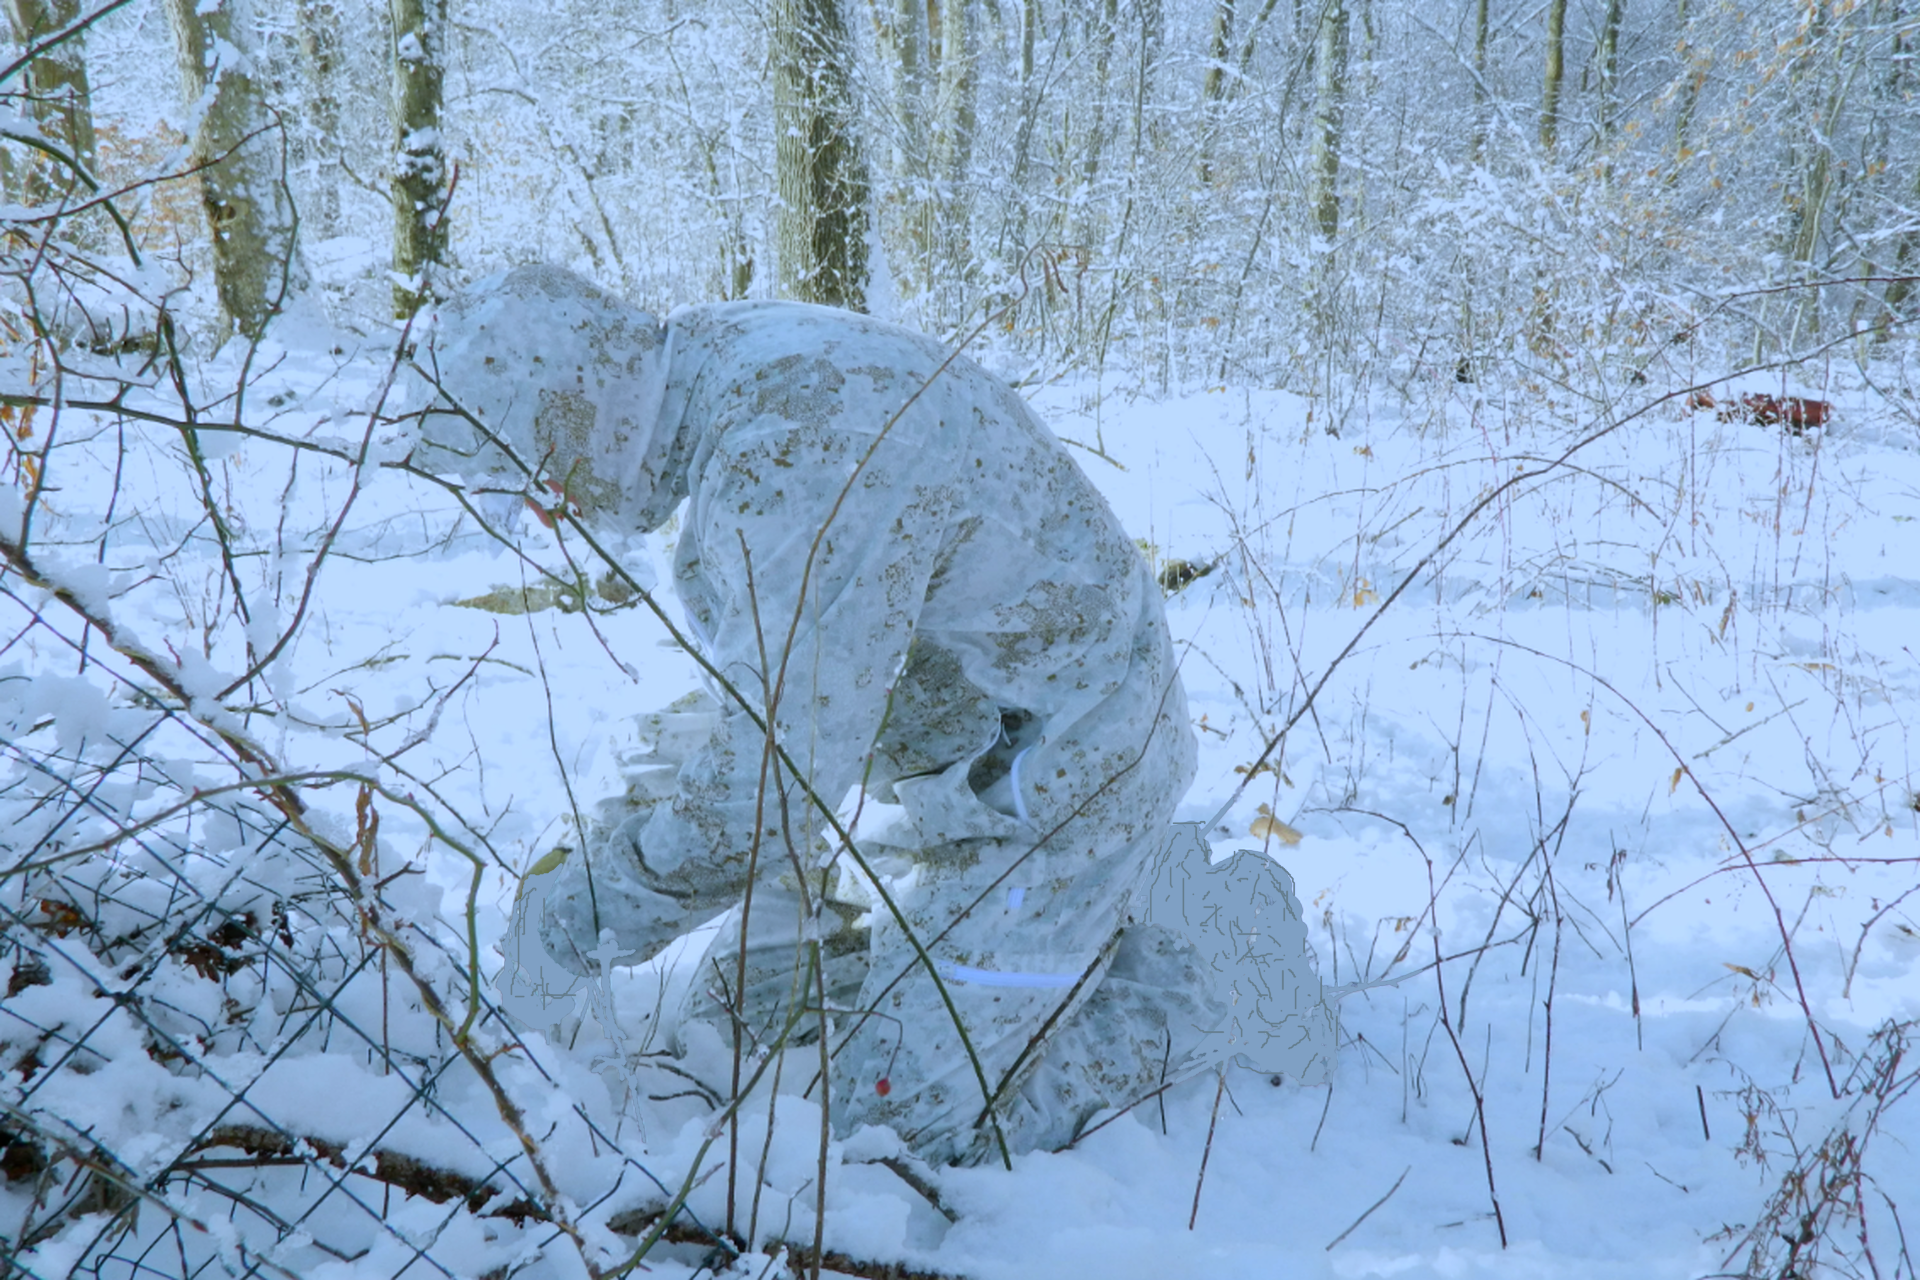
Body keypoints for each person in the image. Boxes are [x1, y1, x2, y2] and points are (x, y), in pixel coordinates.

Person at [415, 264, 1222, 1165]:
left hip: (1066, 771)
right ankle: (1036, 947)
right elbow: (770, 696)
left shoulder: (792, 450)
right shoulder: (710, 369)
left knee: (899, 1129)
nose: (542, 507)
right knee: (755, 1016)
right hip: (947, 745)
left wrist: (582, 917)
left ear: (581, 400)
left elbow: (763, 795)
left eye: (534, 463)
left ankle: (1194, 978)